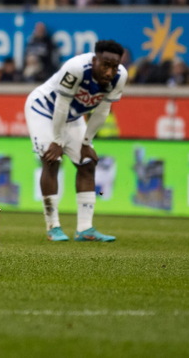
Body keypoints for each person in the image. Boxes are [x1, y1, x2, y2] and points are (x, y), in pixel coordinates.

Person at [24, 39, 127, 243]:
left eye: (114, 66)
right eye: (105, 65)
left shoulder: (120, 76)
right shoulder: (76, 68)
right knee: (52, 160)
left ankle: (85, 229)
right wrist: (57, 141)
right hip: (43, 110)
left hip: (72, 116)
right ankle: (53, 227)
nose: (109, 72)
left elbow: (102, 110)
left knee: (88, 163)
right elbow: (60, 105)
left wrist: (87, 142)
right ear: (95, 60)